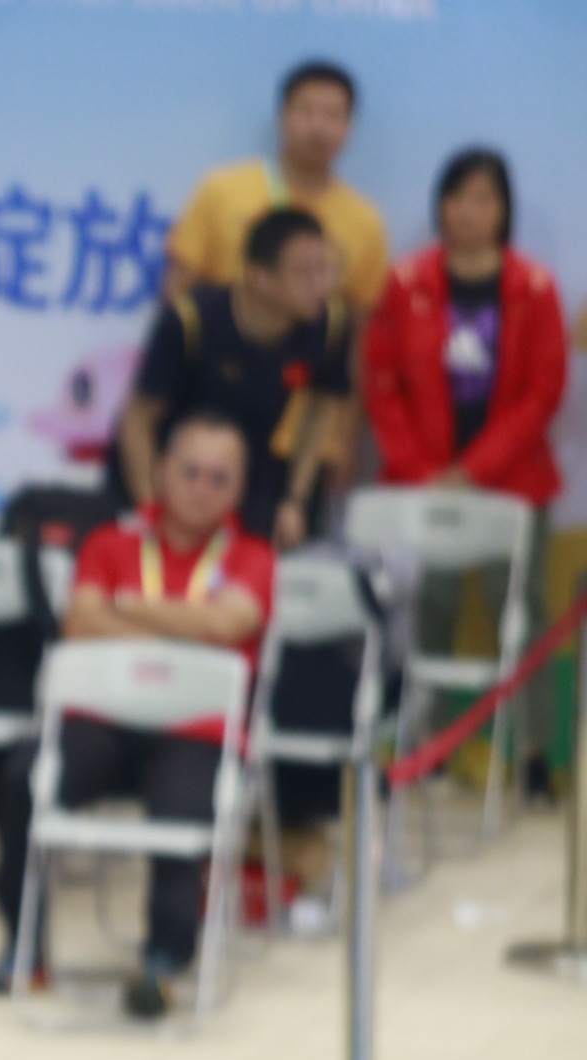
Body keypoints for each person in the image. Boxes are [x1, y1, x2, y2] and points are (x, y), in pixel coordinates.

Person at [0, 415, 273, 1021]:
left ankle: (163, 963)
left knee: (183, 811)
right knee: (22, 776)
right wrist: (187, 628)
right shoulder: (109, 544)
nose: (201, 487)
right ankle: (24, 947)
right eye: (190, 471)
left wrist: (128, 607)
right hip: (103, 719)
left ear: (239, 489)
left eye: (219, 478)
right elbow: (81, 623)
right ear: (162, 472)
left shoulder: (252, 557)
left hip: (196, 727)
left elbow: (232, 625)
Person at [363, 149, 568, 785]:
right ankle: (425, 745)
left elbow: (543, 391)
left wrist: (475, 468)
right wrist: (420, 467)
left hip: (513, 481)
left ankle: (535, 754)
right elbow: (381, 381)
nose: (472, 213)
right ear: (440, 205)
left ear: (503, 210)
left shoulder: (533, 287)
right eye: (460, 199)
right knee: (432, 607)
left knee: (527, 609)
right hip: (424, 481)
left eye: (486, 200)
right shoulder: (406, 283)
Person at [114, 207, 349, 548]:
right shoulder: (190, 320)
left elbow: (324, 407)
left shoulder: (330, 325)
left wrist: (295, 499)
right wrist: (150, 506)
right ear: (260, 277)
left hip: (249, 466)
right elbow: (137, 419)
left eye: (325, 270)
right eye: (304, 274)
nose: (321, 285)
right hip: (168, 464)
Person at [168, 60, 387, 316]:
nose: (318, 127)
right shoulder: (221, 189)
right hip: (219, 351)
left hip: (310, 355)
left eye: (332, 115)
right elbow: (178, 291)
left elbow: (360, 323)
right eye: (306, 111)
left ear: (349, 126)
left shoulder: (365, 220)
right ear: (282, 116)